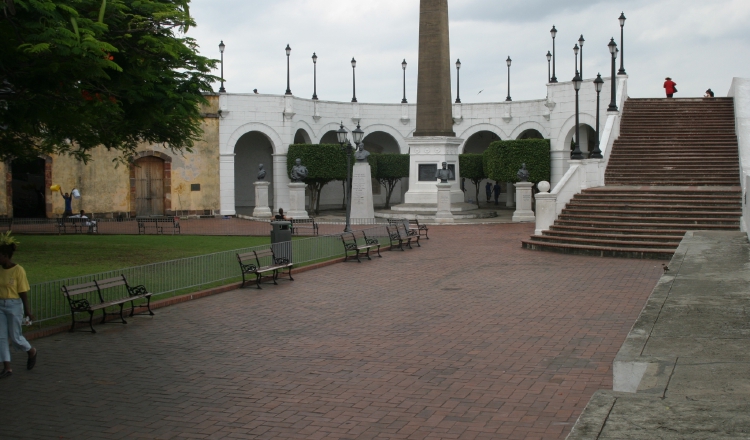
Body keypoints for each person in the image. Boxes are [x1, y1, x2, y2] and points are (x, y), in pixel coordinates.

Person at [0, 236, 37, 379]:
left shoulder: (18, 270)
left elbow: (23, 291)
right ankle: (7, 367)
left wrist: (27, 310)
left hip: (14, 305)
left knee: (15, 337)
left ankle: (31, 351)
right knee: (1, 337)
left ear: (5, 256)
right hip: (0, 305)